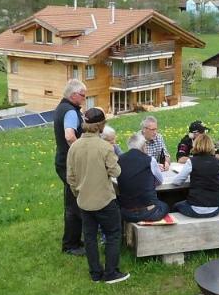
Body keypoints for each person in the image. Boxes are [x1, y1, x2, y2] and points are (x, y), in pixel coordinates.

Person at [66, 108, 130, 284]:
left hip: (84, 200)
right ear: (101, 125)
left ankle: (95, 273)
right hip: (104, 200)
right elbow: (116, 171)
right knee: (113, 233)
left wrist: (78, 193)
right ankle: (111, 273)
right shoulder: (105, 147)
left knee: (90, 237)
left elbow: (70, 177)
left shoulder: (74, 147)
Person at [53, 78, 86, 255]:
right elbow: (69, 136)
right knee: (74, 204)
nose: (84, 99)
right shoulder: (71, 112)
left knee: (71, 202)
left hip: (63, 161)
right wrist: (82, 150)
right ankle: (71, 246)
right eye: (83, 95)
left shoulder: (61, 108)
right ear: (73, 95)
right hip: (69, 164)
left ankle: (73, 241)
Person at [117, 131, 169, 223]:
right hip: (149, 212)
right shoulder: (149, 160)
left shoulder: (119, 159)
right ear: (143, 146)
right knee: (166, 205)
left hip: (126, 212)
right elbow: (160, 180)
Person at [171, 132, 219, 219]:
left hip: (196, 207)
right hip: (215, 208)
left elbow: (176, 182)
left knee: (175, 205)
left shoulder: (191, 161)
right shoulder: (218, 162)